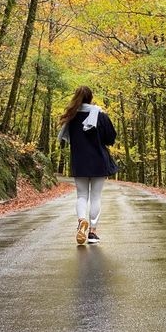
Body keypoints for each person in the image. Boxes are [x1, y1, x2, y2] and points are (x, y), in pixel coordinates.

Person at [58, 86, 118, 245]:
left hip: (79, 161)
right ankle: (92, 232)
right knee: (96, 196)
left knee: (82, 195)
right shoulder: (100, 115)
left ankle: (81, 221)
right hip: (98, 161)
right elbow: (111, 138)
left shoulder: (71, 117)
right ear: (90, 98)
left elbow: (68, 138)